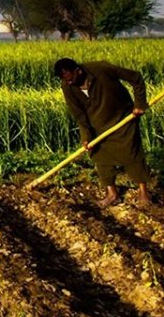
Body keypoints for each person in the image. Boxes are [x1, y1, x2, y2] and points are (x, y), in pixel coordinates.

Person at [53, 58, 154, 207]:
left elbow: (136, 77)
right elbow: (79, 114)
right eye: (65, 81)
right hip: (97, 125)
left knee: (132, 154)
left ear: (78, 70)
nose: (69, 83)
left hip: (123, 118)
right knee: (100, 157)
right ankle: (111, 194)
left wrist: (139, 104)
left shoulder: (101, 69)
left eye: (71, 79)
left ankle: (143, 193)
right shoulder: (67, 86)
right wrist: (86, 136)